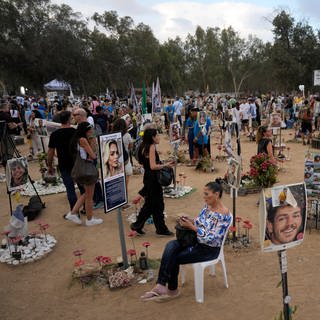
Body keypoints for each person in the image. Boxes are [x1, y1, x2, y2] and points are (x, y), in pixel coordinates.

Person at [140, 180, 232, 301]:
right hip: (196, 241)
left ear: (216, 194)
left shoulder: (223, 215)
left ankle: (172, 291)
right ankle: (161, 285)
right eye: (203, 194)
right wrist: (191, 220)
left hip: (208, 249)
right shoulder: (208, 207)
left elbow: (211, 238)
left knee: (174, 257)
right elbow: (201, 222)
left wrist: (192, 227)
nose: (204, 197)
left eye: (206, 194)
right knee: (170, 245)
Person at [130, 128, 174, 236]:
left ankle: (138, 225)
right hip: (153, 179)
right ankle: (160, 229)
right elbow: (153, 166)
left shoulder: (142, 146)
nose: (158, 137)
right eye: (157, 135)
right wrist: (165, 165)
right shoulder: (151, 147)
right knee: (157, 205)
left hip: (148, 178)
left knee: (151, 205)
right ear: (152, 137)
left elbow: (144, 162)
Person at [65, 122, 103, 226]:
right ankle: (89, 219)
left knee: (86, 194)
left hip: (82, 170)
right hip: (87, 171)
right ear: (86, 130)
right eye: (90, 129)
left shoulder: (78, 140)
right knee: (90, 196)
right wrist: (93, 140)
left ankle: (73, 213)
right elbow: (93, 155)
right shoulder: (83, 140)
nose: (92, 131)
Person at [47, 111, 84, 211]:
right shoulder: (75, 132)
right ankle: (85, 208)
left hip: (63, 164)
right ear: (69, 120)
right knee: (82, 187)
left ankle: (74, 212)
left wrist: (49, 165)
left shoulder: (54, 134)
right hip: (77, 163)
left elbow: (50, 152)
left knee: (70, 189)